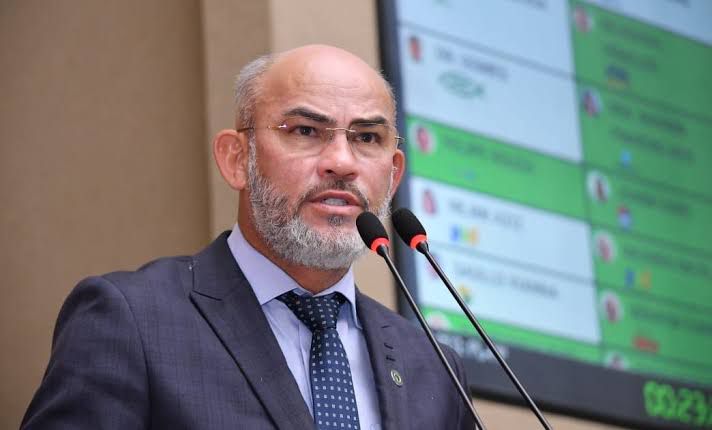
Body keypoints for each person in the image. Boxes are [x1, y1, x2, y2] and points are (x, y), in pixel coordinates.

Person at [22, 45, 474, 430]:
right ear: (237, 158)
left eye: (367, 137)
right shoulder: (130, 320)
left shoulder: (434, 368)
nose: (342, 162)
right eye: (305, 131)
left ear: (393, 176)